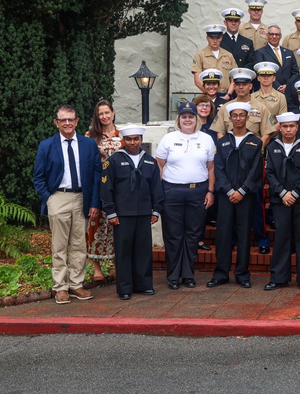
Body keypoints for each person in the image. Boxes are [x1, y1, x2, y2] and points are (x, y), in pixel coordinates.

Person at [33, 104, 102, 304]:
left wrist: (94, 202)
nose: (67, 123)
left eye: (71, 119)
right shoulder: (47, 146)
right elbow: (38, 177)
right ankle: (60, 287)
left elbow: (97, 175)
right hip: (58, 198)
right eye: (63, 120)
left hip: (82, 198)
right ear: (56, 123)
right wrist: (49, 198)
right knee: (59, 245)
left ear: (77, 121)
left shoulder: (88, 144)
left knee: (79, 244)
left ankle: (76, 284)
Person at [155, 102, 216, 289]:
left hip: (197, 191)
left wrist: (210, 191)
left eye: (191, 116)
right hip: (172, 191)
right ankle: (173, 276)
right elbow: (159, 165)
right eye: (184, 116)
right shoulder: (169, 139)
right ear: (178, 120)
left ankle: (188, 274)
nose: (187, 119)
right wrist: (159, 192)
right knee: (173, 235)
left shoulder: (206, 139)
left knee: (193, 234)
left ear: (196, 119)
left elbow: (211, 167)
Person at [99, 125, 163, 300]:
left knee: (143, 251)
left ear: (141, 140)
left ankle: (144, 284)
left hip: (144, 213)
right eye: (129, 139)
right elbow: (106, 188)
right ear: (123, 141)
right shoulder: (113, 161)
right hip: (122, 215)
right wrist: (110, 212)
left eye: (136, 139)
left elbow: (156, 188)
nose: (133, 142)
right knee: (124, 252)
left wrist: (156, 210)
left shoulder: (150, 161)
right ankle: (125, 287)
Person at [206, 102, 264, 289]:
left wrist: (242, 191)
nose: (238, 119)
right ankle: (221, 273)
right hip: (226, 196)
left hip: (245, 196)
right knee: (222, 234)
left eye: (242, 115)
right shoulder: (222, 142)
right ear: (230, 119)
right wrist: (230, 190)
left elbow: (256, 171)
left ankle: (242, 274)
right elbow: (219, 169)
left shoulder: (255, 142)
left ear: (247, 118)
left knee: (244, 234)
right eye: (235, 116)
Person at [264, 112, 300, 291]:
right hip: (281, 200)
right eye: (285, 126)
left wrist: (295, 193)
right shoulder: (273, 147)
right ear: (279, 128)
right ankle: (279, 278)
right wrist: (282, 192)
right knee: (281, 238)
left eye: (292, 126)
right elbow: (270, 173)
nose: (288, 129)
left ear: (297, 128)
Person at [85, 100, 120, 282]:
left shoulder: (123, 136)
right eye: (101, 114)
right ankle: (96, 268)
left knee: (117, 226)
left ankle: (116, 265)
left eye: (107, 112)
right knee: (95, 225)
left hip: (119, 188)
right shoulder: (90, 136)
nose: (104, 116)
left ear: (113, 113)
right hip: (98, 185)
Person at [191, 24, 237, 92]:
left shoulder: (228, 55)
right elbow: (197, 80)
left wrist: (228, 94)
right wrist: (209, 93)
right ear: (207, 38)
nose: (215, 41)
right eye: (212, 38)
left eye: (218, 38)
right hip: (208, 96)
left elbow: (234, 78)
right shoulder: (200, 55)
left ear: (221, 38)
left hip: (226, 95)